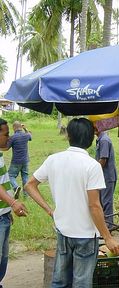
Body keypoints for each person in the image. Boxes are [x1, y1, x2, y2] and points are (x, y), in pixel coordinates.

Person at [24, 118, 119, 287]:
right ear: (91, 139)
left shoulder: (53, 159)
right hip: (85, 235)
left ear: (68, 136)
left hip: (63, 231)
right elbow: (94, 205)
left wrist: (49, 210)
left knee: (60, 281)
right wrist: (108, 237)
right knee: (81, 283)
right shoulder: (92, 166)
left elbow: (29, 185)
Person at [0, 118, 28, 288]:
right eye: (5, 134)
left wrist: (7, 211)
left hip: (3, 215)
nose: (8, 138)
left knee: (3, 257)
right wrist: (13, 202)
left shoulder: (1, 154)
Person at [95, 129, 117, 230]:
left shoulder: (104, 140)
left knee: (106, 202)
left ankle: (108, 226)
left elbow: (103, 160)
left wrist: (92, 171)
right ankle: (104, 225)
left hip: (107, 177)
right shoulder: (101, 139)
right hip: (103, 176)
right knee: (102, 201)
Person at [6, 121, 32, 198]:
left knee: (10, 175)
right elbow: (30, 136)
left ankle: (15, 187)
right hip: (25, 161)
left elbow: (7, 147)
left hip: (16, 161)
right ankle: (26, 195)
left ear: (14, 128)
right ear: (21, 127)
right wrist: (25, 128)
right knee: (25, 177)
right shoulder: (26, 135)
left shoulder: (13, 137)